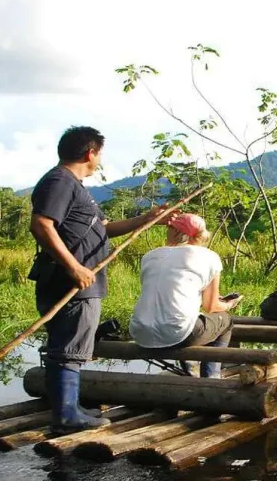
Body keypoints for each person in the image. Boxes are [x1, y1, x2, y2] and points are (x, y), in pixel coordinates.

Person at [30, 126, 171, 433]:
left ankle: (68, 408)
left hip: (76, 282)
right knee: (70, 347)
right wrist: (75, 268)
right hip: (72, 284)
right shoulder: (60, 181)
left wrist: (146, 219)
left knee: (70, 346)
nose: (100, 161)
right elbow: (41, 225)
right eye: (100, 155)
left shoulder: (76, 187)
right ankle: (66, 416)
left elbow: (104, 228)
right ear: (90, 153)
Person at [129, 213, 240, 378]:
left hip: (140, 332)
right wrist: (230, 304)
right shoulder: (209, 256)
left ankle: (189, 369)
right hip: (179, 333)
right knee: (225, 321)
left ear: (175, 232)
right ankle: (211, 379)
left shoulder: (150, 256)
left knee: (189, 321)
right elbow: (211, 306)